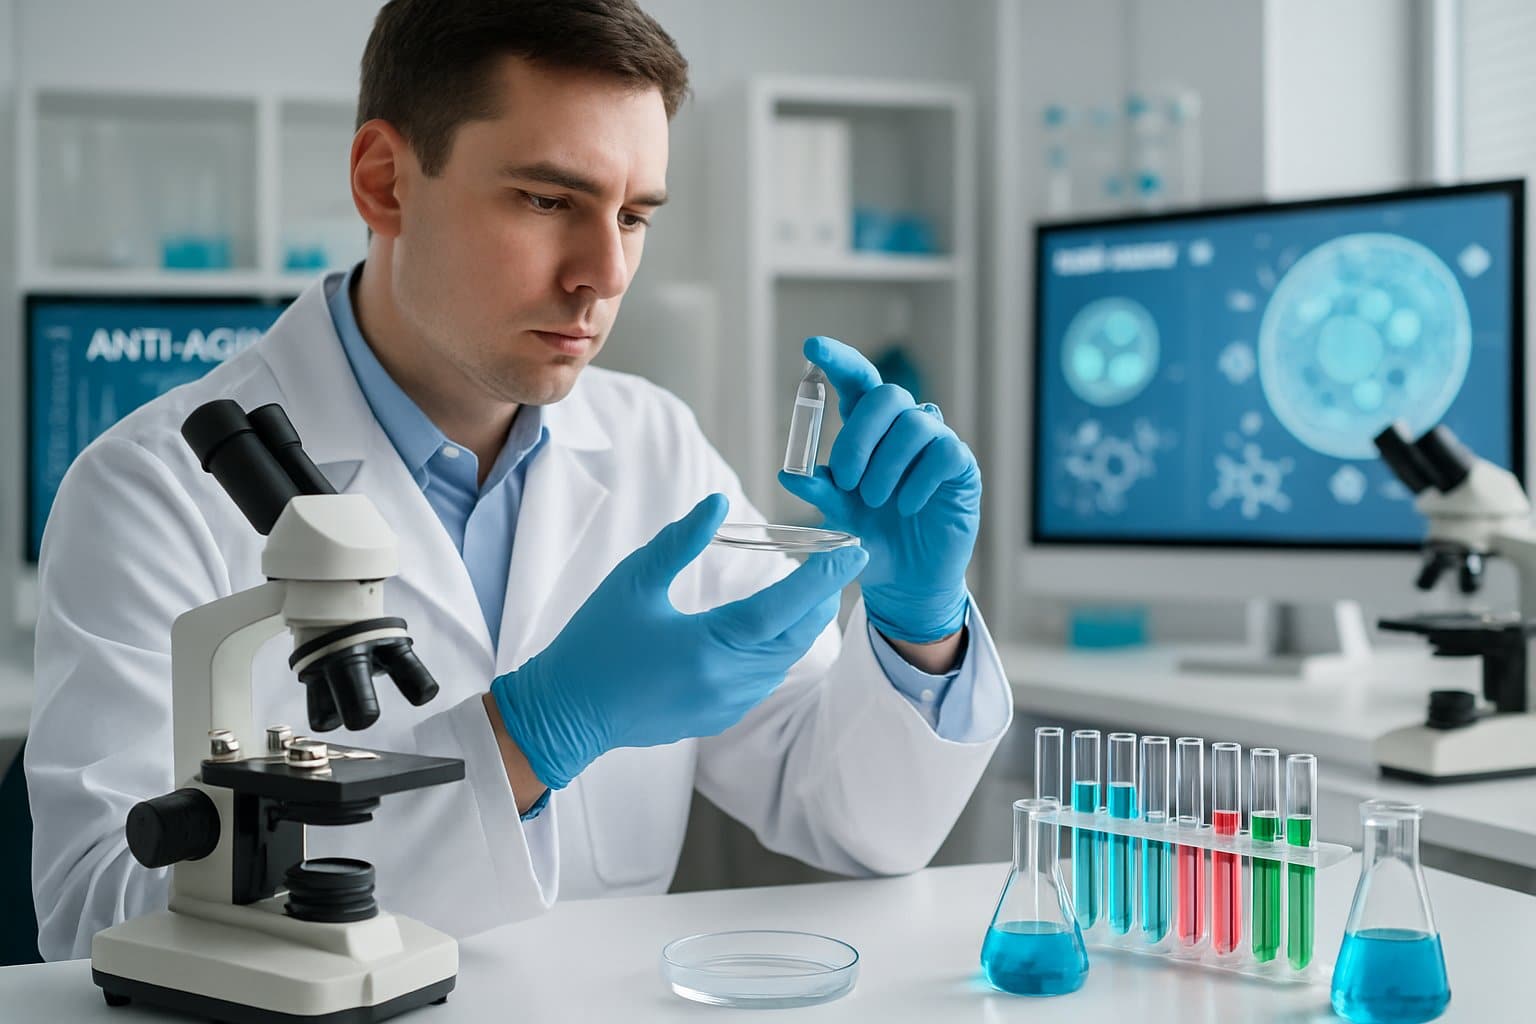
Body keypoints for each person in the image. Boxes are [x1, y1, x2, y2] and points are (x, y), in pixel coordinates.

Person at [26, 0, 1012, 961]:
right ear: (384, 182)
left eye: (634, 215)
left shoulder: (656, 446)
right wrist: (530, 736)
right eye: (548, 200)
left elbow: (854, 822)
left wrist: (917, 630)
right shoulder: (151, 491)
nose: (604, 272)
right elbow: (91, 924)